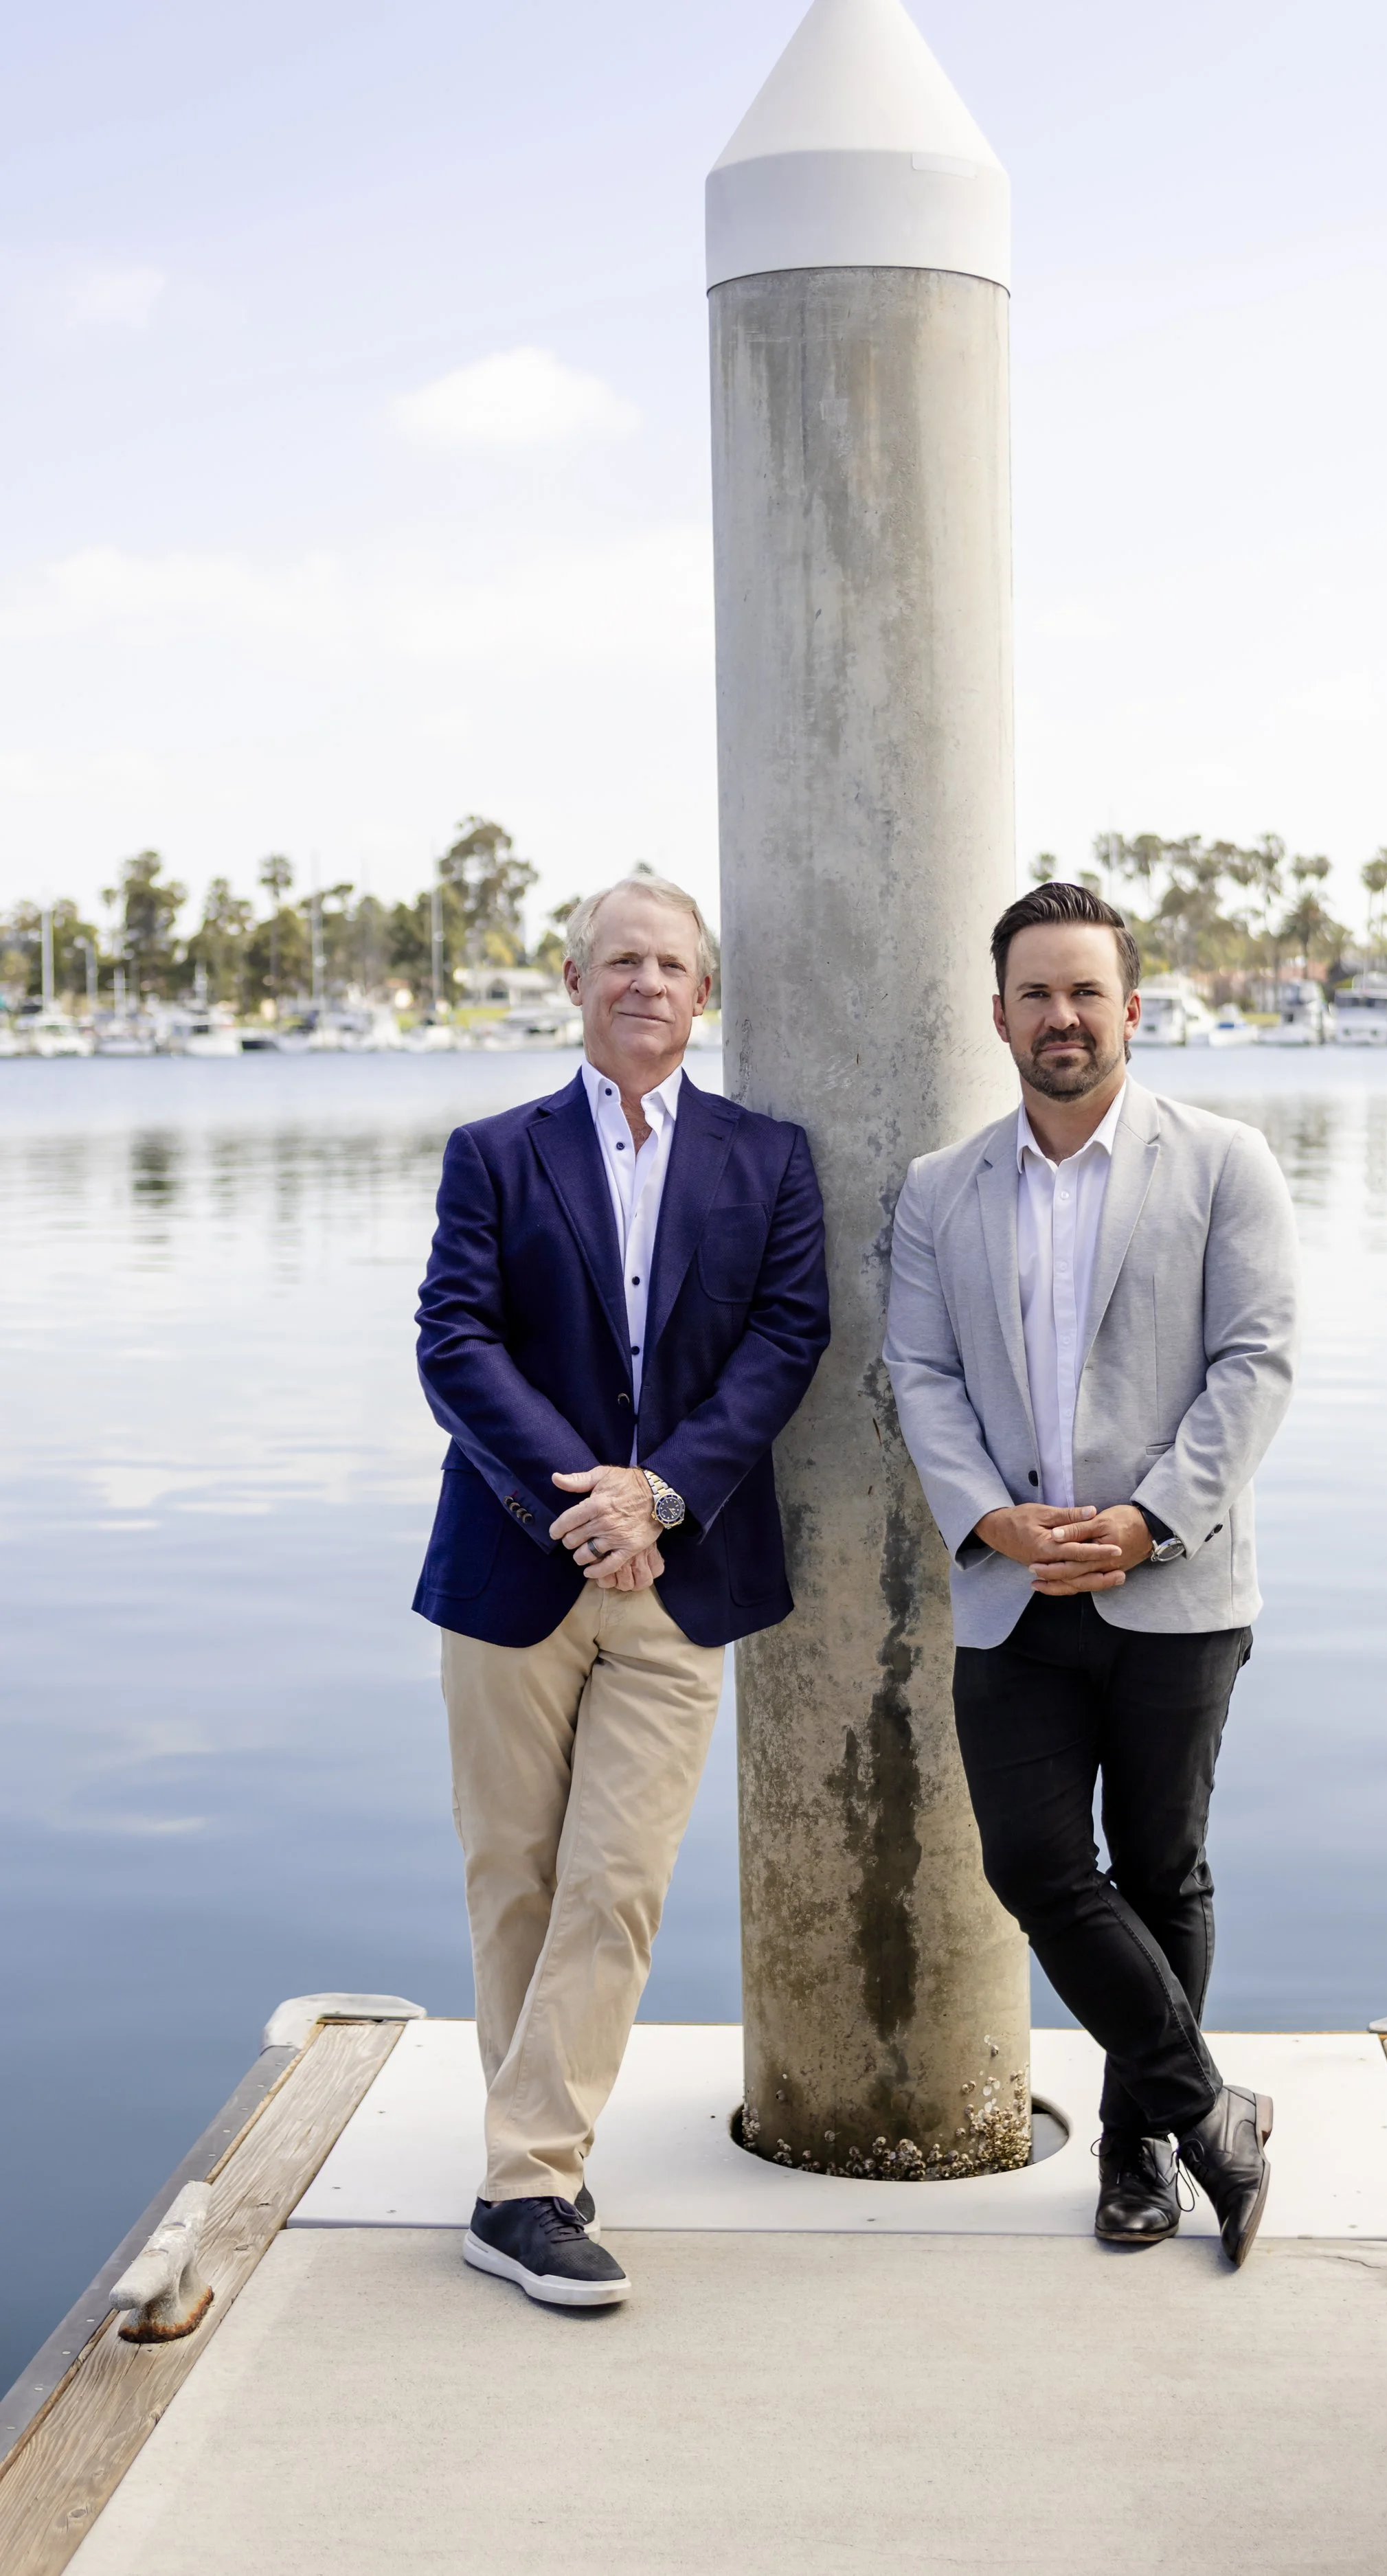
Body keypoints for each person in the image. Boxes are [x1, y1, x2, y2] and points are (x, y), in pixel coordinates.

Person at [414, 877, 828, 2309]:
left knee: (618, 1882)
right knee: (512, 1879)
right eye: (618, 961)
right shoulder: (492, 1154)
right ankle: (539, 2163)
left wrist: (656, 1497)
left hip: (683, 1574)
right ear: (576, 983)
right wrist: (581, 1500)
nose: (644, 981)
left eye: (670, 963)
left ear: (701, 995)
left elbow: (787, 1339)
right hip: (510, 1567)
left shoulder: (768, 1161)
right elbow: (454, 1345)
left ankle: (520, 2183)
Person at [883, 881, 1298, 2266]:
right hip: (1011, 1592)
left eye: (1083, 991)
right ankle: (1205, 2112)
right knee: (1036, 1867)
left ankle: (1133, 2153)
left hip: (1173, 1589)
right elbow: (919, 1375)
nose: (1059, 1017)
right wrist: (991, 1516)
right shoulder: (940, 1190)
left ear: (1131, 1006)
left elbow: (1255, 1364)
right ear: (995, 1013)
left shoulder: (1224, 1163)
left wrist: (1143, 1521)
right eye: (1033, 994)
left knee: (1163, 1871)